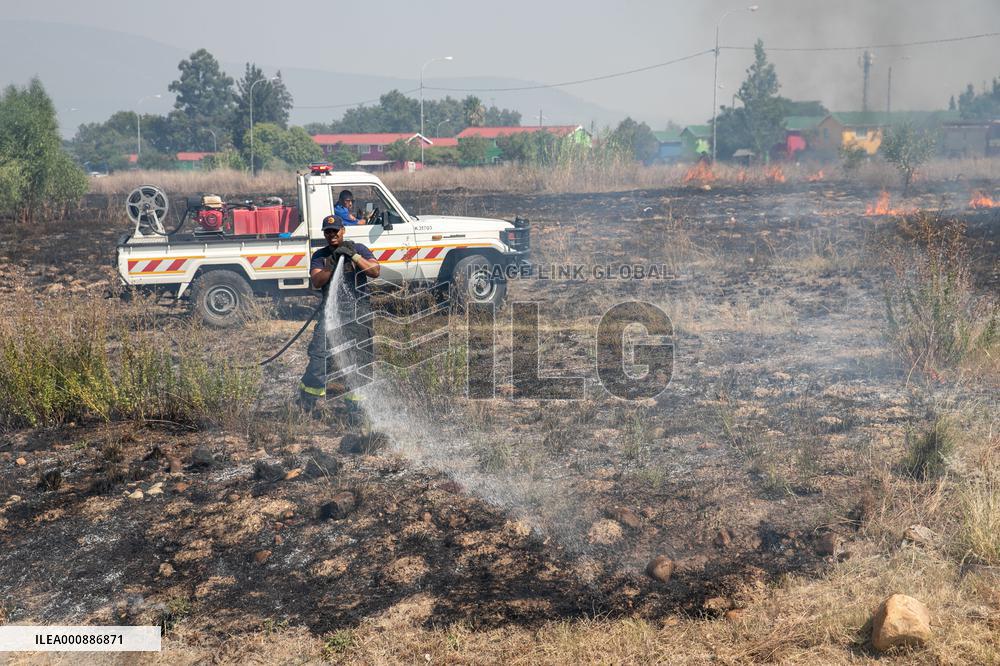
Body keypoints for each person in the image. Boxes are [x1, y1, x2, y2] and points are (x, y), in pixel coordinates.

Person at [298, 214, 380, 417]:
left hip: (358, 312)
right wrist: (332, 264)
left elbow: (375, 271)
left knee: (359, 359)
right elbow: (317, 281)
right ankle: (306, 406)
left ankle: (356, 410)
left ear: (343, 230)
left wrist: (354, 256)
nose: (332, 234)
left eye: (335, 230)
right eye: (328, 231)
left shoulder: (358, 249)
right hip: (331, 313)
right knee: (319, 356)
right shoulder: (320, 256)